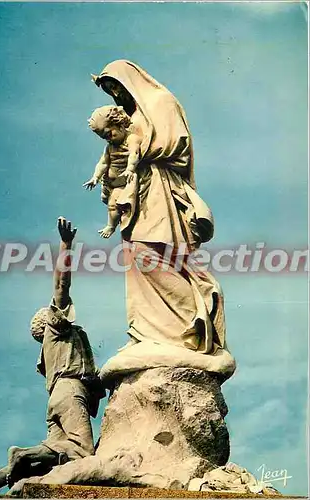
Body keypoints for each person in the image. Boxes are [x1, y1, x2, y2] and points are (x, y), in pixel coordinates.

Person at [92, 60, 228, 357]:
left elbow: (178, 144)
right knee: (137, 257)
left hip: (159, 188)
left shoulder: (160, 101)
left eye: (116, 86)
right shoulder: (129, 117)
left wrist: (138, 154)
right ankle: (149, 332)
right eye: (109, 91)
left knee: (150, 251)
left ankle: (192, 317)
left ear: (128, 80)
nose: (115, 94)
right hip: (136, 193)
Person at [0, 217, 105, 495]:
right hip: (71, 393)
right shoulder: (56, 328)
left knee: (55, 461)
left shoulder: (50, 350)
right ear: (48, 319)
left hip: (58, 398)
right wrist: (66, 244)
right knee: (83, 453)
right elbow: (61, 286)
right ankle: (22, 454)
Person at [83, 105, 142, 238]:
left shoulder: (131, 139)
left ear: (120, 125)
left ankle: (111, 226)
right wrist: (95, 177)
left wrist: (130, 169)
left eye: (110, 134)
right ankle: (111, 224)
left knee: (114, 204)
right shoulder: (110, 147)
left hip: (123, 183)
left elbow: (134, 154)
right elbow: (103, 163)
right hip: (110, 184)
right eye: (105, 137)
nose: (109, 139)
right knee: (111, 203)